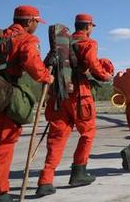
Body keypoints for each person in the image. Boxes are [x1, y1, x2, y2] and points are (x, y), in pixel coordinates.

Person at [37, 14, 113, 197]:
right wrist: (105, 76)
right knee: (88, 133)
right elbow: (93, 64)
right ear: (87, 27)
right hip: (80, 96)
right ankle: (78, 172)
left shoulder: (61, 44)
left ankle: (45, 181)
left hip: (59, 95)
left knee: (56, 139)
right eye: (92, 26)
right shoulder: (88, 43)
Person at [0, 6, 54, 202]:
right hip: (4, 100)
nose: (36, 26)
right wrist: (47, 78)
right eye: (36, 22)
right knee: (0, 151)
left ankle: (1, 193)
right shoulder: (27, 39)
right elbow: (34, 66)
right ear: (29, 22)